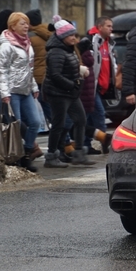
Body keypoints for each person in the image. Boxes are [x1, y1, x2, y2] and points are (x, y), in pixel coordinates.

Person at [43, 17, 95, 167]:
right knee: (58, 125)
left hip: (70, 92)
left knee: (81, 120)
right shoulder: (56, 51)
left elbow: (69, 68)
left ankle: (79, 153)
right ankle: (51, 156)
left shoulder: (68, 49)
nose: (74, 38)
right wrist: (72, 84)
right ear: (62, 36)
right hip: (58, 93)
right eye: (71, 35)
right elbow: (55, 74)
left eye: (74, 35)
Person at [0, 12, 42, 172]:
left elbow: (29, 69)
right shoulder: (6, 45)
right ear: (12, 26)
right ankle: (16, 157)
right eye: (22, 23)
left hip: (26, 90)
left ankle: (27, 153)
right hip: (12, 91)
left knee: (35, 122)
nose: (26, 26)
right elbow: (1, 70)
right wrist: (4, 93)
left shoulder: (27, 43)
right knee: (16, 125)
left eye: (27, 23)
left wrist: (34, 87)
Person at [87, 16, 118, 154]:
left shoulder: (108, 43)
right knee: (99, 114)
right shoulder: (92, 40)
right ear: (99, 27)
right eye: (108, 26)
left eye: (111, 26)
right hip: (93, 86)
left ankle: (85, 143)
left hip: (103, 86)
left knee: (90, 116)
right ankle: (104, 141)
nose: (111, 29)